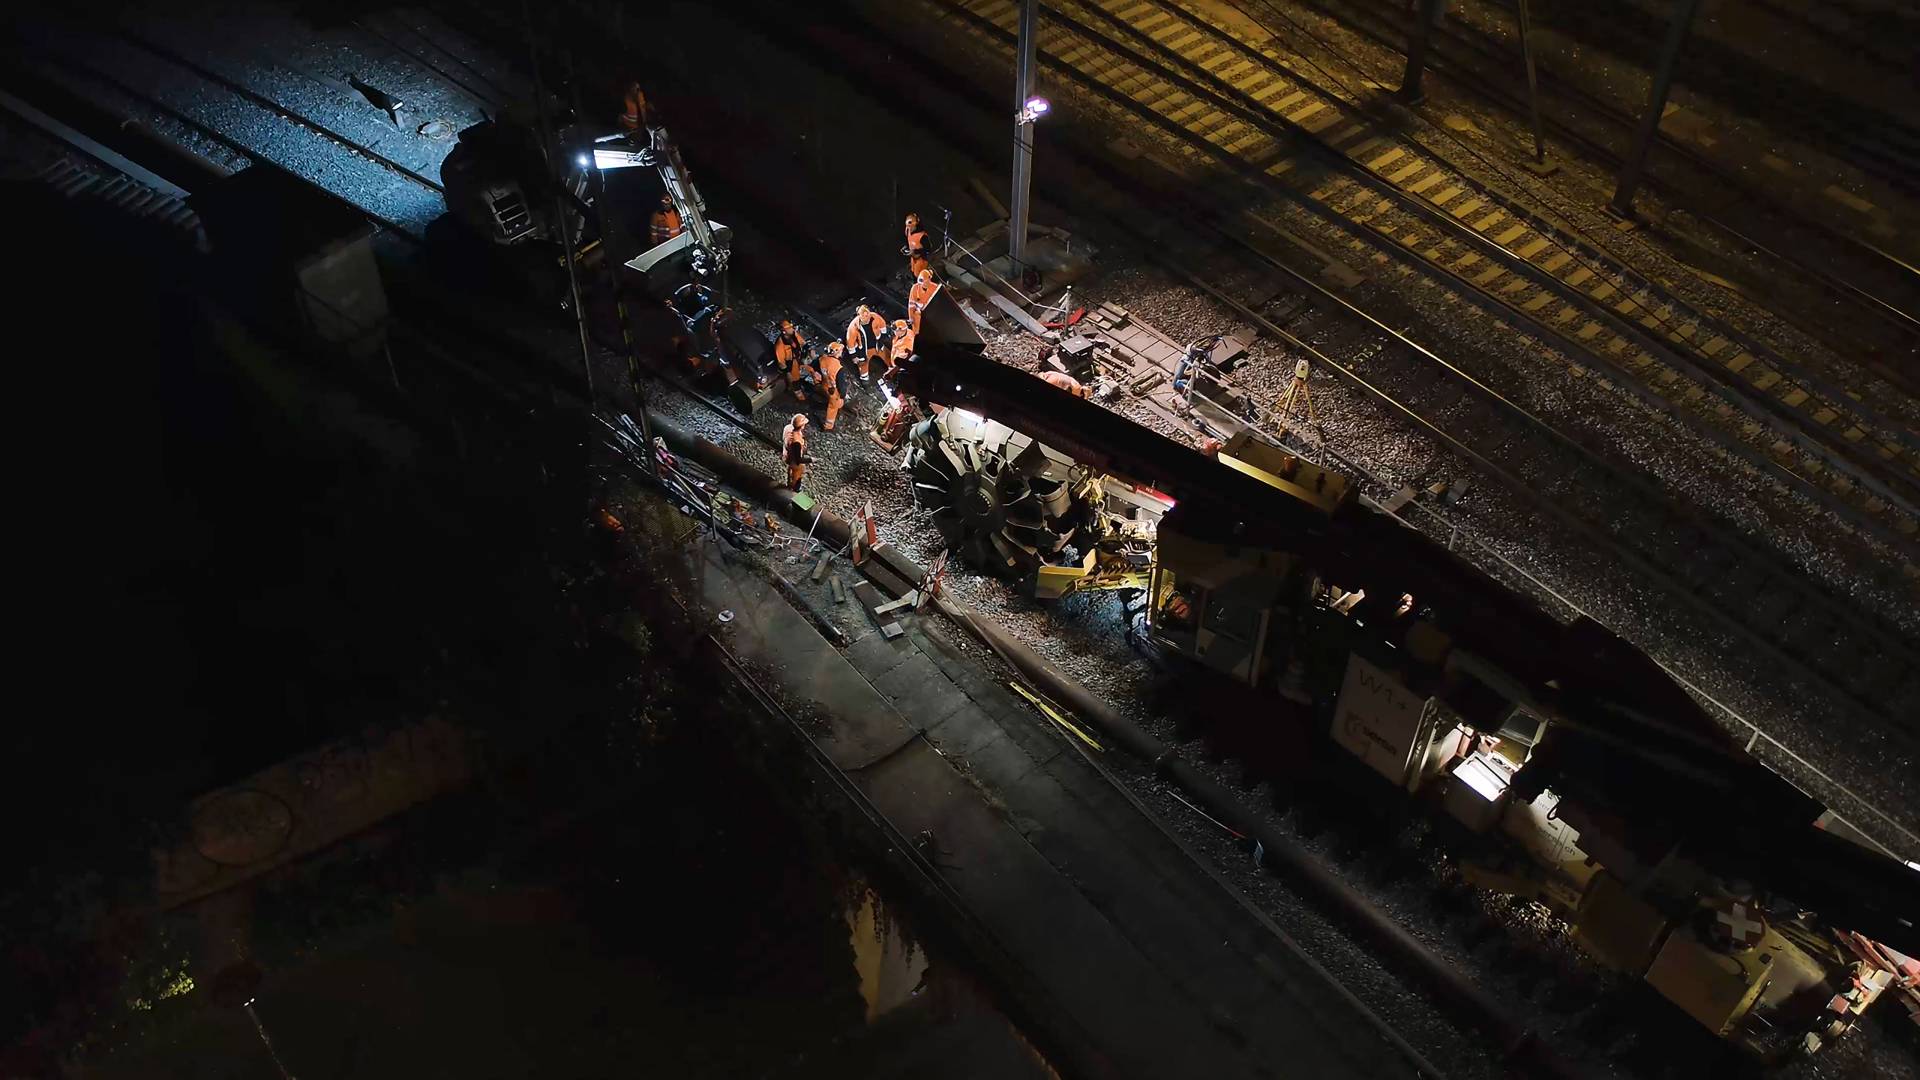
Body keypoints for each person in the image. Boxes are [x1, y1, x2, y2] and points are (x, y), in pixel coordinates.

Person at [844, 303, 888, 381]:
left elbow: (883, 325)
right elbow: (850, 342)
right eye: (864, 316)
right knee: (863, 365)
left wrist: (882, 338)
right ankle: (865, 380)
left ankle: (894, 370)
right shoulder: (853, 327)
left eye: (867, 315)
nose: (867, 317)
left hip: (877, 345)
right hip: (863, 350)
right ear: (859, 316)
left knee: (887, 356)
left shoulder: (875, 317)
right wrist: (854, 356)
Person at [774, 319, 810, 401]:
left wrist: (806, 355)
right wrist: (787, 373)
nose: (792, 329)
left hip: (798, 359)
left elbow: (803, 343)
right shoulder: (780, 344)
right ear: (784, 332)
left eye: (791, 328)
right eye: (789, 329)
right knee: (794, 381)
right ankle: (799, 396)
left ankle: (800, 385)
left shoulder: (793, 334)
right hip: (790, 365)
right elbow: (781, 362)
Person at [817, 342, 846, 431]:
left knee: (830, 399)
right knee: (832, 407)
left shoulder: (822, 359)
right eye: (840, 351)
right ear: (836, 353)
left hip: (825, 385)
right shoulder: (838, 367)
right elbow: (841, 385)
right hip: (834, 391)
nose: (841, 352)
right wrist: (842, 395)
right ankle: (828, 426)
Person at [782, 414, 812, 489]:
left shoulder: (788, 428)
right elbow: (798, 459)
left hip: (787, 455)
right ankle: (794, 490)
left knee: (790, 472)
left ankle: (789, 484)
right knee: (796, 477)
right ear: (802, 426)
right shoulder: (797, 441)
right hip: (795, 461)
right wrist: (811, 460)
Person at [906, 269, 939, 334]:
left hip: (933, 312)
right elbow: (911, 305)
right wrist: (911, 318)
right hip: (920, 312)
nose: (926, 283)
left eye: (927, 281)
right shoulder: (915, 288)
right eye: (924, 282)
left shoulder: (935, 287)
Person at [902, 213, 931, 279]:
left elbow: (928, 250)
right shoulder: (907, 230)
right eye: (908, 227)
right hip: (913, 258)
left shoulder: (922, 236)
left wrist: (916, 251)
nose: (910, 229)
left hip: (921, 260)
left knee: (920, 277)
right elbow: (909, 240)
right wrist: (905, 247)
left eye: (911, 227)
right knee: (913, 272)